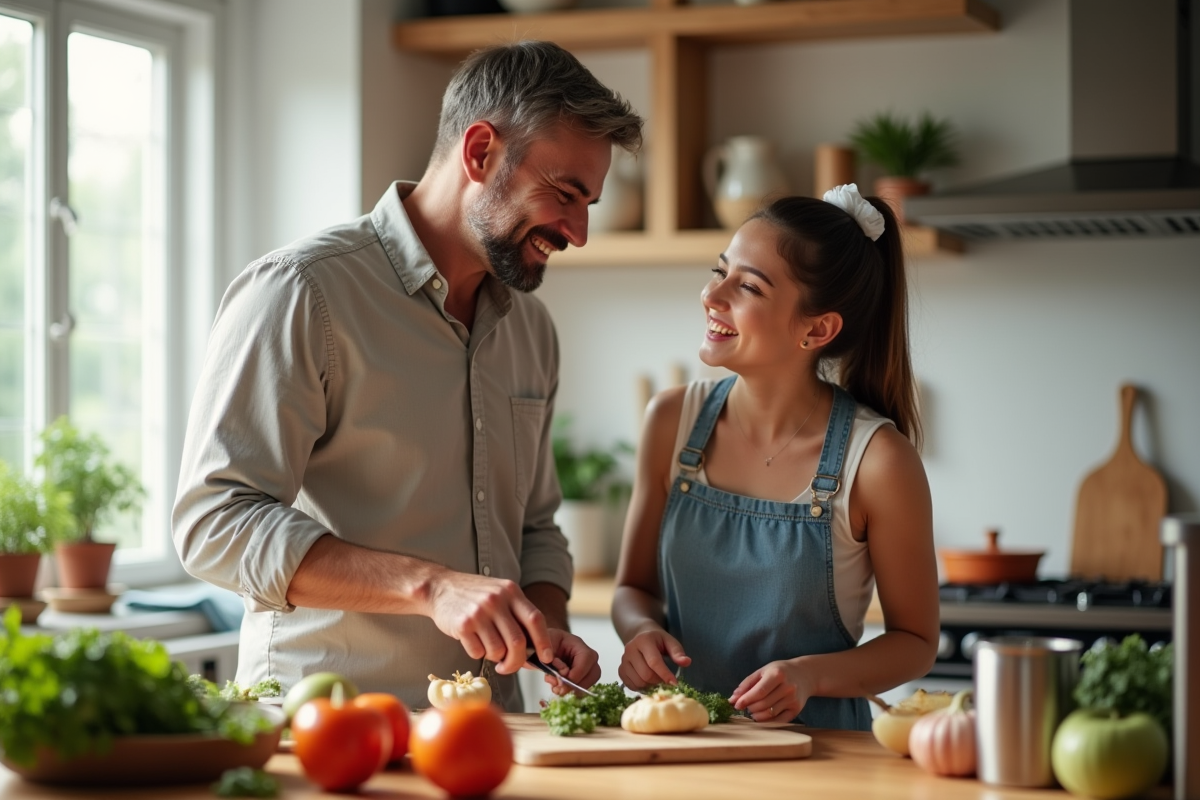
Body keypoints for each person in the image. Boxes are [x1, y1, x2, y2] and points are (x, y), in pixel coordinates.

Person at [172, 41, 643, 714]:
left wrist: (547, 623)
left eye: (588, 202)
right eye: (565, 194)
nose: (579, 230)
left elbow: (535, 528)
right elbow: (214, 521)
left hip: (491, 735)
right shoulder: (303, 293)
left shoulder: (530, 331)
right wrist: (430, 587)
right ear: (480, 152)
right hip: (324, 731)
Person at [611, 185, 939, 730]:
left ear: (817, 329)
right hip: (681, 750)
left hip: (821, 762)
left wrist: (810, 676)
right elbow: (633, 590)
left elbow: (916, 643)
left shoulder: (879, 462)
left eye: (748, 287)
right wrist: (641, 631)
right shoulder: (671, 421)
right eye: (720, 272)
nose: (712, 297)